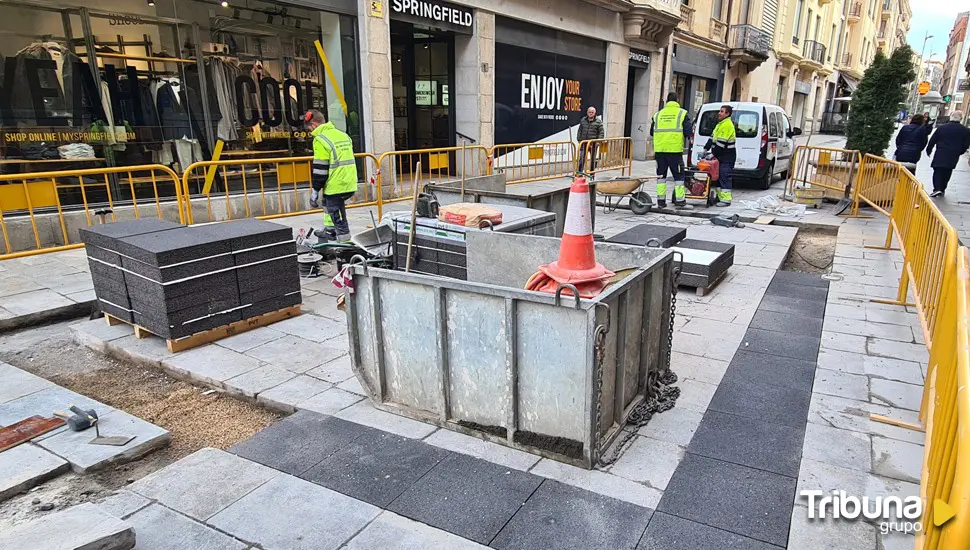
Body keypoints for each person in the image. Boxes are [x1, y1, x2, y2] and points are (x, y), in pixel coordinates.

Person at [306, 109, 358, 241]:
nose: (310, 132)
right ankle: (330, 231)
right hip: (349, 182)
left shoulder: (320, 140)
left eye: (310, 129)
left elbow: (320, 169)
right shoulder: (343, 135)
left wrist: (315, 190)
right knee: (328, 204)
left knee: (338, 218)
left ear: (314, 124)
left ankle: (345, 246)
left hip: (336, 185)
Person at [650, 92, 692, 209]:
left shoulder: (657, 115)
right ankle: (679, 201)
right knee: (679, 176)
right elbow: (688, 132)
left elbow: (651, 132)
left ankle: (661, 201)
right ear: (677, 100)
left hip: (660, 151)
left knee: (661, 176)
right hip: (675, 151)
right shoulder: (682, 113)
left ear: (667, 101)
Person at [925, 110, 970, 198]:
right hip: (953, 154)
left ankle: (937, 188)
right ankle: (942, 188)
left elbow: (933, 139)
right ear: (960, 118)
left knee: (937, 170)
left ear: (950, 117)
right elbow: (966, 144)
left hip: (941, 152)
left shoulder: (942, 128)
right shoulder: (965, 130)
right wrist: (960, 151)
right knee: (948, 171)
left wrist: (929, 149)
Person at [704, 105, 737, 207]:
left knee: (724, 177)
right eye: (720, 111)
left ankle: (726, 200)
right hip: (720, 156)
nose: (719, 113)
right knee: (717, 177)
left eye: (722, 111)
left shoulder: (727, 125)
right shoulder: (720, 124)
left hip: (727, 156)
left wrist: (712, 154)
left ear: (727, 114)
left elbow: (721, 144)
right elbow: (712, 137)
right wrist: (705, 149)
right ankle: (720, 197)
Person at [576, 106, 604, 175]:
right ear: (587, 112)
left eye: (592, 112)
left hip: (593, 144)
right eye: (589, 112)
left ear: (595, 113)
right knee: (581, 158)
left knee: (592, 160)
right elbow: (580, 130)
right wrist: (579, 139)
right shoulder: (583, 120)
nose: (591, 113)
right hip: (584, 143)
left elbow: (601, 133)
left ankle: (592, 174)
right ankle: (579, 173)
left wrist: (597, 143)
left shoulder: (598, 122)